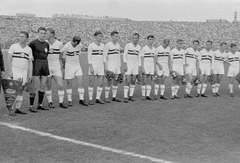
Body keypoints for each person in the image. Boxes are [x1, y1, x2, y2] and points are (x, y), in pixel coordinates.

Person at [7, 31, 33, 116]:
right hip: (14, 71)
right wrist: (10, 71)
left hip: (23, 72)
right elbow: (8, 59)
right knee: (13, 90)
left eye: (23, 37)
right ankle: (11, 109)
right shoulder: (13, 46)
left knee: (21, 90)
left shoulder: (29, 49)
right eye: (20, 36)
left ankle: (18, 108)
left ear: (26, 38)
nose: (20, 38)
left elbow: (30, 62)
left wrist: (30, 74)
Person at [62, 36, 88, 106]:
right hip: (69, 66)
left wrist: (77, 62)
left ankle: (81, 99)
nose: (74, 44)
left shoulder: (80, 45)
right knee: (69, 83)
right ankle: (69, 100)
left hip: (77, 66)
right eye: (74, 42)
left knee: (81, 81)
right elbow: (63, 58)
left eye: (76, 43)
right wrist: (64, 66)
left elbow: (78, 54)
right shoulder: (66, 46)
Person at [28, 27, 50, 113]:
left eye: (44, 33)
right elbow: (29, 55)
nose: (43, 35)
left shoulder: (46, 44)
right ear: (38, 33)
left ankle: (40, 104)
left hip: (45, 65)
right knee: (34, 86)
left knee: (42, 86)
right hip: (36, 65)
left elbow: (46, 55)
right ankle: (31, 105)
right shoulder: (33, 43)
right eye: (41, 33)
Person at [45, 27, 67, 109]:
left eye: (47, 33)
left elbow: (61, 57)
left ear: (52, 34)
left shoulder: (59, 44)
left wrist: (63, 67)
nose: (45, 35)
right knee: (48, 85)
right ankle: (50, 102)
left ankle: (61, 102)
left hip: (56, 66)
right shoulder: (45, 43)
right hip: (47, 66)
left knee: (60, 85)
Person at [103, 31, 122, 103]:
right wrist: (105, 66)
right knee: (109, 81)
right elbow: (104, 56)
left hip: (117, 65)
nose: (117, 38)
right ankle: (106, 97)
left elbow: (119, 56)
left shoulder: (118, 45)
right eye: (115, 36)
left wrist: (119, 66)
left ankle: (114, 97)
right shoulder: (108, 45)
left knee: (116, 81)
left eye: (118, 36)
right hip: (110, 65)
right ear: (111, 36)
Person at [123, 33, 141, 103]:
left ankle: (131, 95)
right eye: (134, 38)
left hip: (135, 65)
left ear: (138, 39)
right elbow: (124, 55)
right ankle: (125, 96)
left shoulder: (139, 47)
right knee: (127, 80)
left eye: (136, 38)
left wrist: (139, 66)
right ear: (132, 38)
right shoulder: (128, 45)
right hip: (128, 65)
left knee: (133, 80)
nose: (135, 39)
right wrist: (125, 64)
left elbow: (139, 57)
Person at [87, 31, 105, 105]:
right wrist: (91, 67)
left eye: (101, 36)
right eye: (99, 36)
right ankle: (90, 99)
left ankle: (98, 98)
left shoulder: (103, 46)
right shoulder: (91, 46)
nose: (100, 38)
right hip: (93, 65)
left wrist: (105, 66)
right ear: (95, 37)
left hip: (101, 66)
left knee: (100, 83)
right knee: (91, 83)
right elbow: (89, 57)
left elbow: (104, 57)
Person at [141, 35, 156, 100]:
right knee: (144, 81)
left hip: (151, 66)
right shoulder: (144, 48)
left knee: (149, 81)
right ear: (147, 40)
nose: (151, 41)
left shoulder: (154, 49)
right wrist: (142, 67)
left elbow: (155, 58)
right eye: (150, 39)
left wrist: (154, 67)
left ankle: (148, 95)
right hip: (145, 65)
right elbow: (142, 58)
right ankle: (143, 95)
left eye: (152, 39)